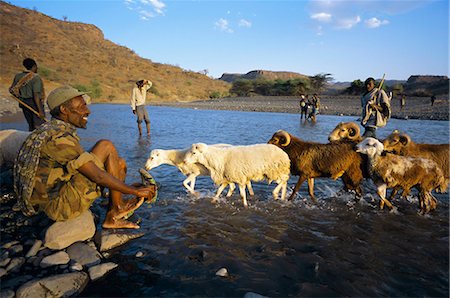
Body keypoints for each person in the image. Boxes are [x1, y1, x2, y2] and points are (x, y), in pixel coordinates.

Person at [14, 85, 157, 229]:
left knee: (117, 161)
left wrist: (123, 188)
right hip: (55, 207)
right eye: (82, 106)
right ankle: (114, 214)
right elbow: (97, 177)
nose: (87, 111)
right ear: (64, 110)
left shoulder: (51, 129)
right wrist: (134, 191)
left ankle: (117, 204)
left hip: (48, 195)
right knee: (108, 151)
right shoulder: (59, 138)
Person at [9, 58, 46, 131]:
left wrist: (20, 97)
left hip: (23, 103)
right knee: (39, 126)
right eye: (36, 67)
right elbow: (36, 95)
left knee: (31, 125)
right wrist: (40, 110)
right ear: (34, 66)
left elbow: (11, 90)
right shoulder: (36, 78)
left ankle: (30, 139)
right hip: (34, 104)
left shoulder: (18, 76)